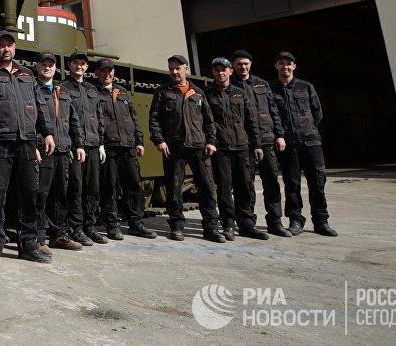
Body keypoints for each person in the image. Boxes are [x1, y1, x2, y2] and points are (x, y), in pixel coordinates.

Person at [0, 30, 55, 268]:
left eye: (10, 45)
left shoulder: (27, 75)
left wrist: (47, 132)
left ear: (14, 49)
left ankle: (28, 246)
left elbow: (39, 106)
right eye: (1, 45)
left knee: (29, 195)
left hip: (27, 142)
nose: (6, 49)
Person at [148, 54, 225, 243]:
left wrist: (211, 142)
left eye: (178, 68)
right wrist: (159, 140)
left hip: (199, 147)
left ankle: (211, 227)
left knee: (207, 188)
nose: (174, 71)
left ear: (186, 69)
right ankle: (177, 227)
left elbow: (209, 120)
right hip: (174, 147)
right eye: (171, 68)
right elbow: (154, 119)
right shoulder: (163, 92)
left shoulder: (198, 92)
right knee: (174, 188)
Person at [270, 51, 337, 237]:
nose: (285, 66)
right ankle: (295, 220)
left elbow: (317, 113)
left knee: (317, 182)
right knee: (292, 185)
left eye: (289, 63)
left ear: (294, 66)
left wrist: (308, 129)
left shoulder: (306, 87)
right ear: (276, 66)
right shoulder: (271, 89)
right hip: (288, 145)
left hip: (310, 142)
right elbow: (272, 117)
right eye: (281, 63)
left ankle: (321, 221)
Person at [205, 57, 268, 241]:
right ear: (213, 73)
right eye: (217, 70)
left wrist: (256, 145)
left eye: (224, 69)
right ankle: (228, 225)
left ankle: (247, 224)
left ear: (230, 71)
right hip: (221, 149)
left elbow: (251, 120)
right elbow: (206, 123)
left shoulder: (241, 93)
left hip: (242, 148)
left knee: (245, 187)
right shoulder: (208, 95)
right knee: (224, 189)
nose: (221, 73)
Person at [93, 58, 156, 240]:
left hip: (127, 145)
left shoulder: (122, 92)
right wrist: (100, 144)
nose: (107, 74)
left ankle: (136, 222)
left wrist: (139, 140)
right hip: (109, 146)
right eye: (103, 71)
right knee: (109, 186)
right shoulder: (94, 93)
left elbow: (134, 117)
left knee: (133, 185)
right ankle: (112, 225)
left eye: (110, 71)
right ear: (97, 73)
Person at [230, 49, 291, 237]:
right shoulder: (229, 86)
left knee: (272, 182)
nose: (243, 66)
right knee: (245, 184)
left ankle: (275, 222)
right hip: (244, 142)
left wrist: (279, 135)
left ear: (251, 64)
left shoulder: (262, 84)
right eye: (239, 63)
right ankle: (247, 224)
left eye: (246, 63)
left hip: (266, 139)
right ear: (233, 66)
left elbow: (274, 111)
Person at [34, 51, 83, 253]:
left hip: (63, 148)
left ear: (56, 68)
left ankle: (59, 234)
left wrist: (78, 144)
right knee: (40, 194)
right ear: (37, 67)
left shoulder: (63, 92)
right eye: (43, 64)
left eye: (51, 64)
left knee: (60, 194)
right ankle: (37, 237)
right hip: (42, 149)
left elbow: (74, 120)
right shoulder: (32, 89)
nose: (47, 67)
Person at [61, 51, 104, 246]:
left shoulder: (92, 90)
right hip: (75, 147)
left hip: (93, 145)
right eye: (76, 63)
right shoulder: (63, 88)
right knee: (76, 188)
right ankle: (76, 228)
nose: (79, 66)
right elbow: (63, 118)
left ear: (87, 67)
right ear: (69, 65)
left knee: (93, 189)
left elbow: (99, 117)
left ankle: (90, 226)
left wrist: (101, 142)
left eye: (83, 64)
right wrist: (70, 143)